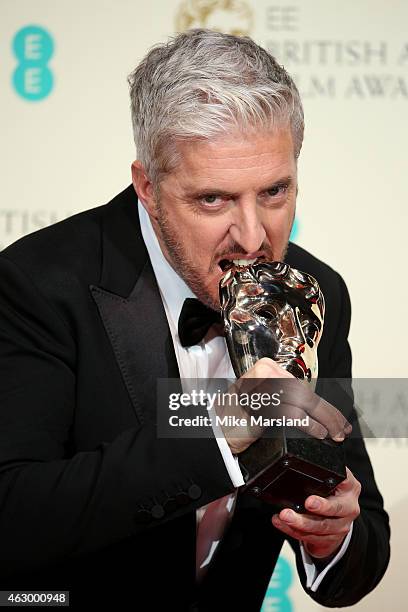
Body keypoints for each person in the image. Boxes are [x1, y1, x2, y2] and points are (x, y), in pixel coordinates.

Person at [0, 29, 390, 611]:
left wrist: (334, 536)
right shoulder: (37, 283)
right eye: (214, 200)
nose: (254, 238)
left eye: (276, 191)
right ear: (148, 187)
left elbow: (365, 546)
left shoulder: (315, 293)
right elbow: (13, 517)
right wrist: (218, 434)